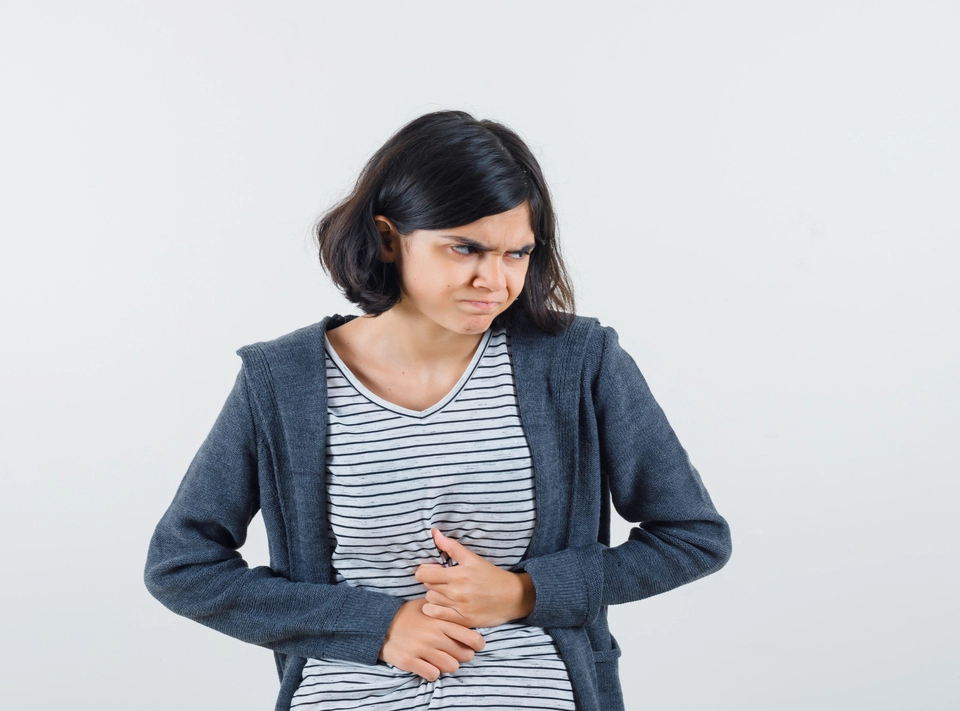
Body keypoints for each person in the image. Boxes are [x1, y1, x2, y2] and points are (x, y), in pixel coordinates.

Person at [143, 110, 732, 711]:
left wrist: (527, 593)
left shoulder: (579, 363)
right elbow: (182, 566)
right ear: (388, 238)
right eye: (465, 249)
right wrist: (377, 626)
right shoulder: (282, 382)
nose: (494, 281)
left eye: (517, 254)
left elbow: (693, 537)